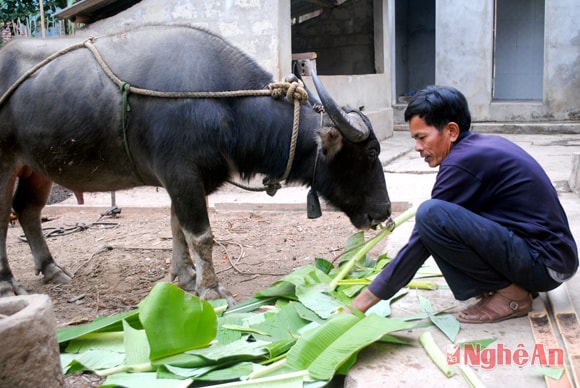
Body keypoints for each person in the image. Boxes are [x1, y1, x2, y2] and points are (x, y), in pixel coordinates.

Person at [349, 85, 578, 323]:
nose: (417, 147)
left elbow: (421, 241)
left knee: (431, 215)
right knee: (445, 215)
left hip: (545, 264)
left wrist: (362, 302)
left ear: (451, 131)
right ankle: (514, 284)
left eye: (422, 137)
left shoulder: (461, 163)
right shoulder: (479, 148)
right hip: (552, 259)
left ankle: (513, 297)